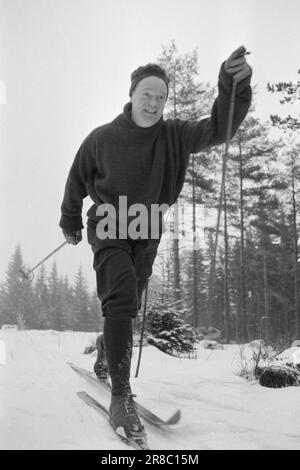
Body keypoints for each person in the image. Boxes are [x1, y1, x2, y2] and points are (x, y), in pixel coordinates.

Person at [59, 45, 252, 440]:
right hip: (110, 224)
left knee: (127, 309)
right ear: (131, 95)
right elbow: (77, 179)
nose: (153, 103)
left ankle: (105, 349)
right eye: (147, 94)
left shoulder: (176, 136)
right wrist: (70, 221)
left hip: (147, 228)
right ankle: (121, 394)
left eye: (161, 97)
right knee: (122, 297)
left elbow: (220, 127)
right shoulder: (102, 138)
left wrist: (233, 86)